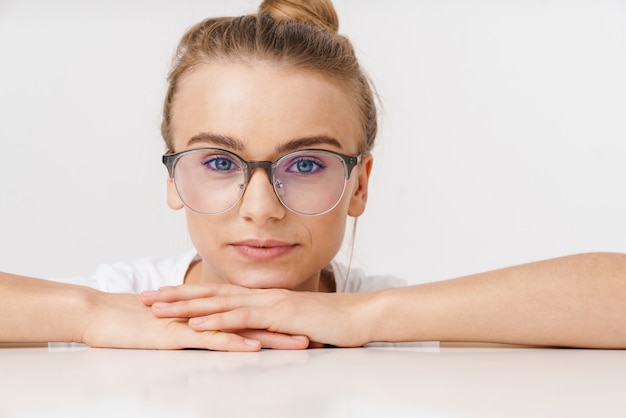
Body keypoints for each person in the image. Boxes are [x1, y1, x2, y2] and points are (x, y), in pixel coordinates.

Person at [1, 0, 625, 351]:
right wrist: (87, 314)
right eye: (219, 162)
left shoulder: (383, 315)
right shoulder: (127, 298)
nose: (261, 208)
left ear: (359, 185)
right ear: (172, 176)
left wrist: (366, 319)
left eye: (305, 164)